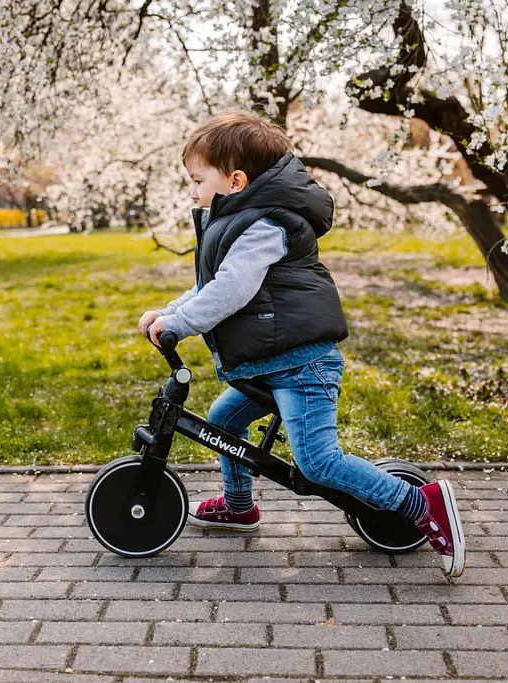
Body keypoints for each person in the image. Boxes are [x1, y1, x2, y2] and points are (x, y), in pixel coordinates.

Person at [137, 109, 465, 578]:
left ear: (235, 180)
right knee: (222, 421)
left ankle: (421, 504)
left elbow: (234, 289)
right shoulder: (238, 220)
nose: (191, 190)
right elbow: (214, 284)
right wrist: (171, 311)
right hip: (271, 361)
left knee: (316, 461)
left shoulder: (265, 224)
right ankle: (238, 505)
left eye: (196, 179)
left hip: (302, 365)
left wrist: (181, 324)